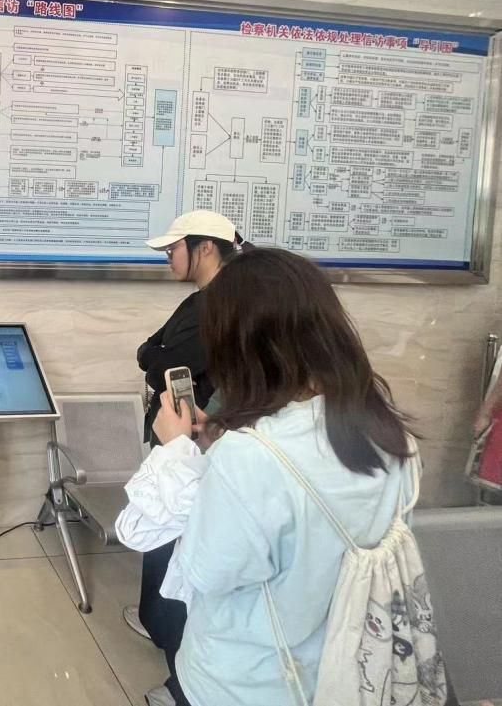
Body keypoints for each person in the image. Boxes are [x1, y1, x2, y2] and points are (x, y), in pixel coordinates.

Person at [118, 248, 416, 706]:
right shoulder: (389, 434)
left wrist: (177, 452)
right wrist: (220, 442)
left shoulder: (251, 457)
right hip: (352, 668)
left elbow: (206, 572)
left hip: (249, 683)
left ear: (242, 342)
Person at [126, 209, 246, 706]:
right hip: (187, 432)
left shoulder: (222, 305)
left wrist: (156, 359)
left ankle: (181, 676)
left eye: (174, 248)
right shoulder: (198, 300)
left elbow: (162, 364)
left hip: (198, 440)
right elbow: (149, 351)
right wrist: (155, 357)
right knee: (167, 534)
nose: (168, 257)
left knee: (177, 538)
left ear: (207, 247)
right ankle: (157, 620)